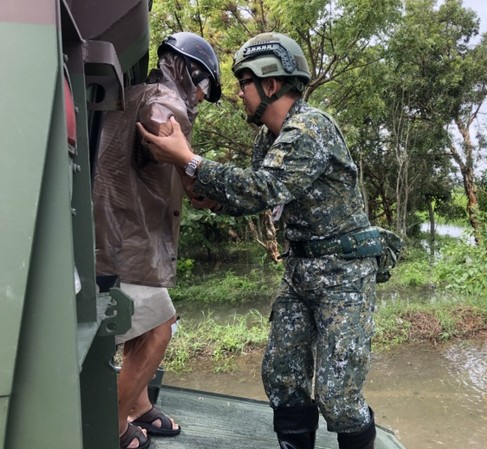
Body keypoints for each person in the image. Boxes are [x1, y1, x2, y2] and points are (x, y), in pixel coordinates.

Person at [137, 32, 381, 449]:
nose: (238, 94)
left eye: (243, 83)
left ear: (271, 84)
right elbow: (249, 199)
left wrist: (189, 160)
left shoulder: (310, 128)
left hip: (343, 276)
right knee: (282, 375)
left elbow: (266, 187)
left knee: (339, 396)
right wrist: (202, 191)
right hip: (300, 272)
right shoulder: (267, 141)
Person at [93, 32, 221, 449]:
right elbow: (159, 118)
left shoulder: (135, 90)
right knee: (158, 328)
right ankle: (110, 427)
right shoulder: (166, 99)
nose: (202, 97)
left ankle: (139, 405)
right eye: (204, 85)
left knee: (143, 325)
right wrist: (190, 168)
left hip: (118, 232)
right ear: (189, 71)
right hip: (124, 240)